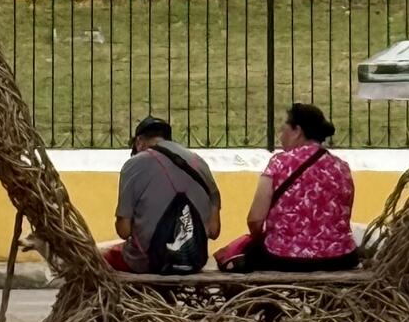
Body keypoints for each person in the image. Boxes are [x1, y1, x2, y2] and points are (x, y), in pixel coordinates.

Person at [241, 103, 359, 273]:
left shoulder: (279, 163)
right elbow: (344, 216)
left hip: (284, 258)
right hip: (340, 258)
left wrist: (260, 238)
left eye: (283, 130)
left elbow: (255, 219)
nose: (280, 137)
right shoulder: (342, 168)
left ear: (297, 131)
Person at [110, 117, 220, 274]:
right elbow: (214, 232)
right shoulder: (199, 162)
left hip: (149, 262)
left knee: (99, 256)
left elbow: (123, 230)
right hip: (194, 260)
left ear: (139, 141)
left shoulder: (134, 164)